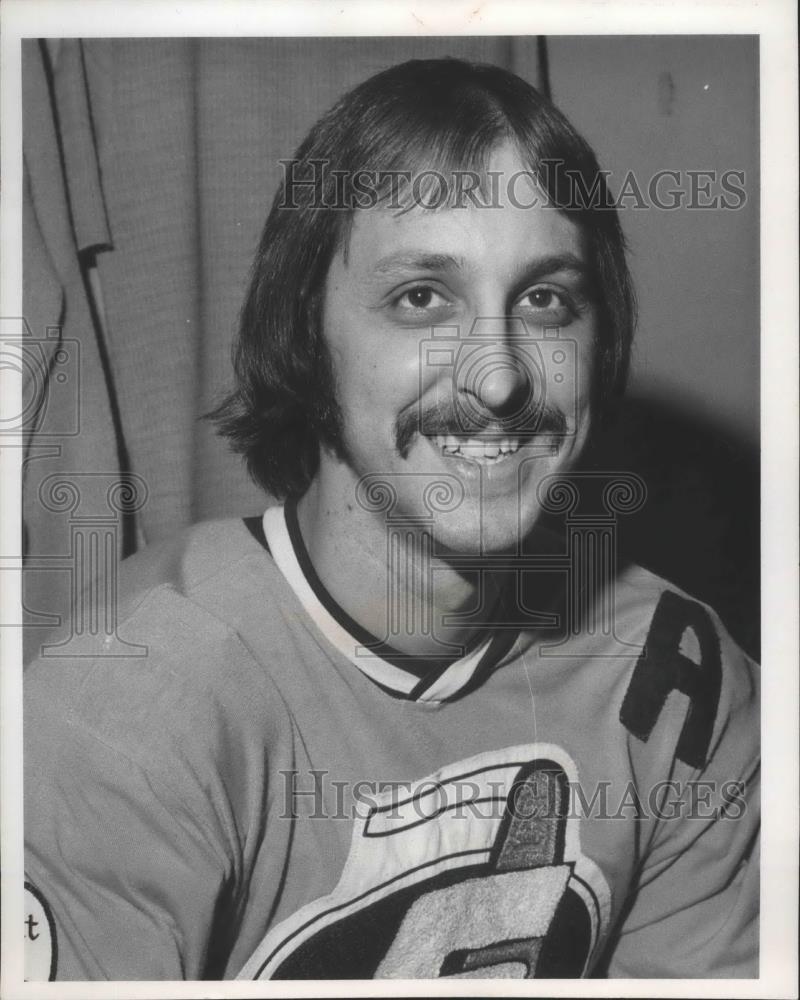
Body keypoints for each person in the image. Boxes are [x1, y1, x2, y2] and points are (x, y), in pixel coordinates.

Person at [24, 57, 759, 981]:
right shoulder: (126, 707)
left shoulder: (676, 678)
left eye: (545, 300)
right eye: (423, 298)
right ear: (306, 337)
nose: (497, 377)